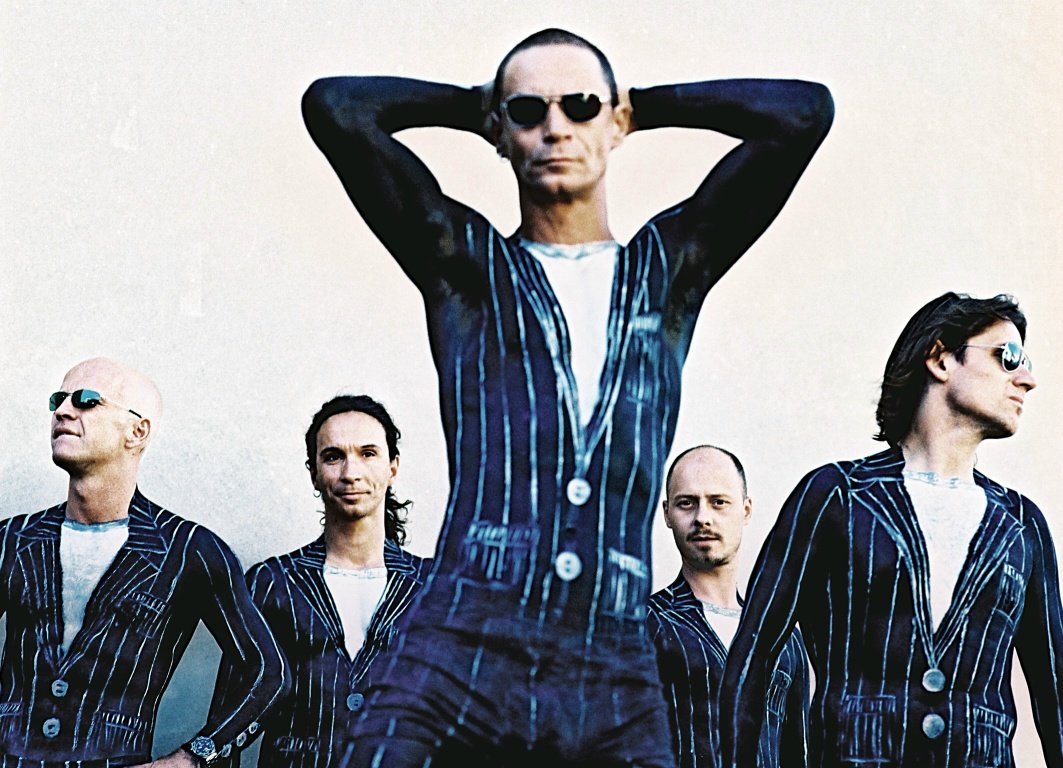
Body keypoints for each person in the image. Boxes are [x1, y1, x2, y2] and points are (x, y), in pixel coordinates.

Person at [303, 27, 833, 765]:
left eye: (580, 106)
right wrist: (477, 108)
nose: (556, 127)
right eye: (529, 111)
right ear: (501, 130)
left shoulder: (668, 271)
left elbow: (802, 114)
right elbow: (336, 107)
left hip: (610, 666)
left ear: (613, 122)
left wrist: (640, 106)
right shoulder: (468, 269)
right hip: (460, 648)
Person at [720, 293, 1063, 767]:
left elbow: (1055, 695)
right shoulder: (836, 497)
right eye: (1008, 357)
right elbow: (751, 662)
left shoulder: (1022, 525)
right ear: (941, 359)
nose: (1026, 378)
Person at [0, 357, 288, 767]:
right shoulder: (13, 539)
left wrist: (191, 759)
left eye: (86, 400)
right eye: (57, 400)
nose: (63, 411)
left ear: (137, 431)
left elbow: (269, 675)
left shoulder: (189, 550)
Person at [210, 395, 431, 767]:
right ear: (313, 471)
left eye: (368, 453)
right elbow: (228, 723)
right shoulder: (271, 583)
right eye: (333, 456)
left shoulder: (434, 587)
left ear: (393, 467)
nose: (351, 473)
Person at [649, 445, 808, 768]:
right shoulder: (644, 626)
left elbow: (799, 753)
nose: (702, 518)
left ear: (746, 510)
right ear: (667, 513)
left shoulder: (785, 638)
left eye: (718, 502)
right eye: (686, 503)